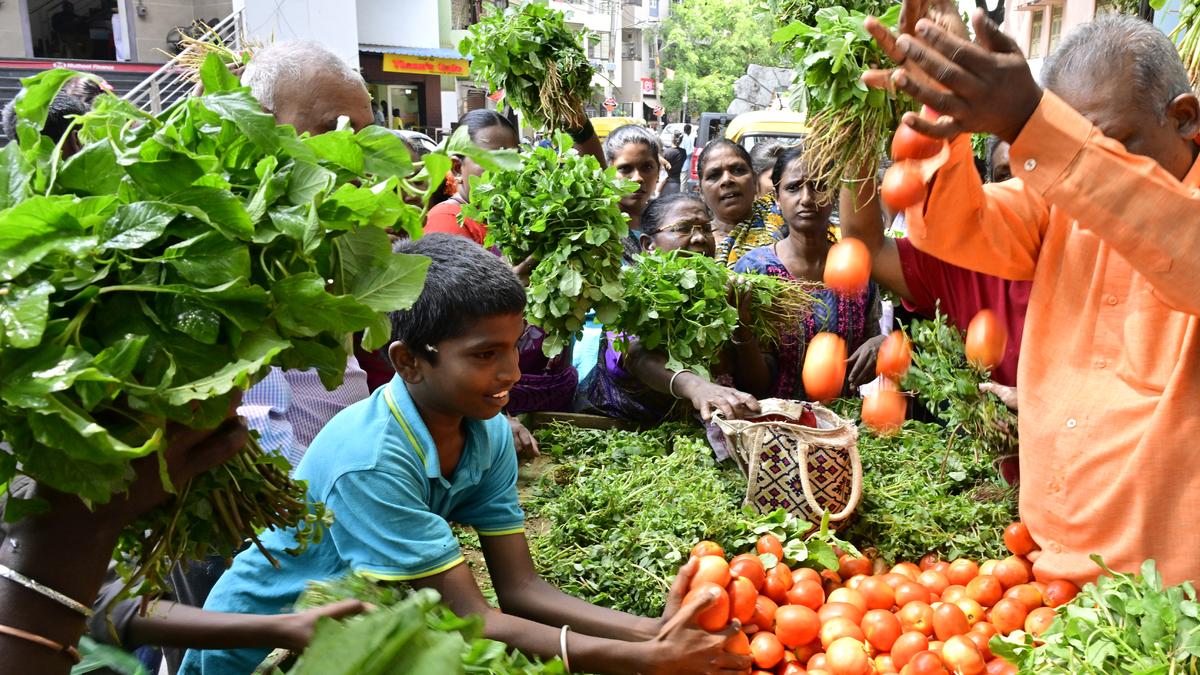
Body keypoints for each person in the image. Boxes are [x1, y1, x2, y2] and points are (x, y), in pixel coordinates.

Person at [181, 235, 751, 675]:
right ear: (408, 361)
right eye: (484, 354)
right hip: (259, 643)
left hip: (353, 624)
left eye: (513, 346)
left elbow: (521, 590)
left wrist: (654, 629)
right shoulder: (373, 457)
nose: (510, 373)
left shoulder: (488, 434)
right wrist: (643, 659)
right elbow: (471, 618)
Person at [862, 6, 1200, 586]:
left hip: (1174, 602)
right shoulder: (1056, 204)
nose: (1085, 169)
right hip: (1049, 570)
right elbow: (951, 227)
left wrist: (1034, 125)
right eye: (1076, 144)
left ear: (1185, 118)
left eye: (1113, 144)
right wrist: (947, 109)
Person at [577, 194, 762, 424]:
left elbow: (757, 386)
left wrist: (741, 326)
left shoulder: (724, 295)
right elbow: (636, 355)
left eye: (705, 228)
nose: (699, 238)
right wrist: (698, 388)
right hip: (620, 427)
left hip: (694, 435)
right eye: (683, 228)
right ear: (648, 245)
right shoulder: (628, 294)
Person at [733, 146, 882, 400]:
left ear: (834, 195)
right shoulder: (755, 270)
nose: (807, 198)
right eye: (793, 188)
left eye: (820, 186)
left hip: (842, 426)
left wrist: (880, 346)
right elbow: (751, 382)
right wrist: (743, 331)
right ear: (777, 197)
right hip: (773, 425)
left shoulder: (857, 267)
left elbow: (870, 344)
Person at [424, 109, 519, 245]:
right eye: (491, 161)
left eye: (513, 159)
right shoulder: (446, 220)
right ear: (456, 168)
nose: (506, 171)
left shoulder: (506, 216)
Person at [699, 139, 786, 268]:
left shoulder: (788, 228)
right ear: (701, 191)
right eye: (714, 175)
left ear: (755, 179)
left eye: (738, 170)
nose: (727, 180)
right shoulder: (695, 240)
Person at [604, 124, 664, 263]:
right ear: (607, 173)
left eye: (647, 167)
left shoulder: (668, 223)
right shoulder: (597, 228)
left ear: (658, 171)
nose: (638, 178)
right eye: (625, 169)